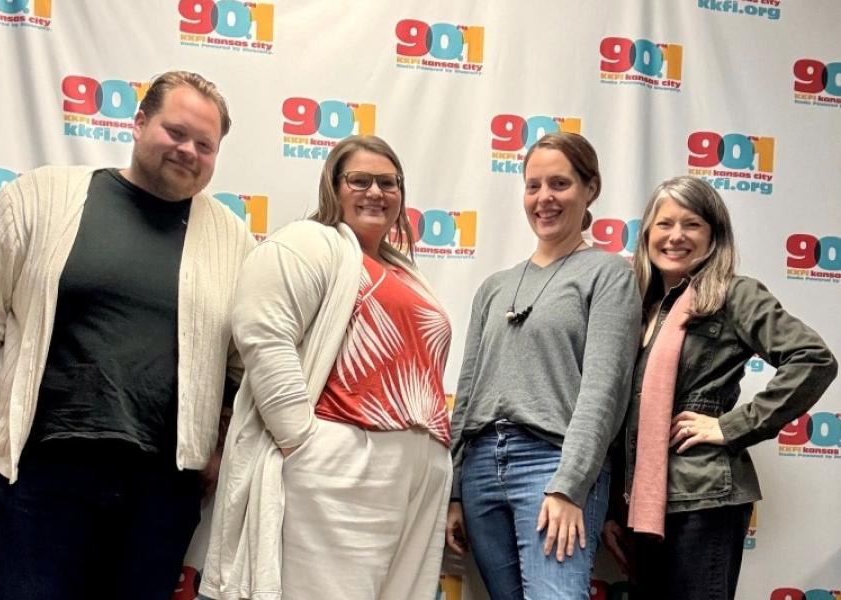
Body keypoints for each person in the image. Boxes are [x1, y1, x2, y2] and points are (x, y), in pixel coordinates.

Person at [0, 70, 256, 599]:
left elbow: (239, 365)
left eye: (205, 145)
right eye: (176, 132)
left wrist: (220, 447)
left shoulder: (233, 240)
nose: (188, 150)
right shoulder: (41, 197)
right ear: (139, 123)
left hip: (161, 491)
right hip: (37, 476)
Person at [201, 135, 452, 600]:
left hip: (417, 471)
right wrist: (300, 440)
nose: (375, 192)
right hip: (341, 462)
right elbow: (263, 330)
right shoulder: (308, 241)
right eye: (360, 180)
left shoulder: (406, 272)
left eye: (388, 182)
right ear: (333, 187)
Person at [601, 175, 837, 600]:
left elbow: (813, 360)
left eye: (691, 224)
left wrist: (729, 426)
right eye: (664, 224)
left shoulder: (733, 294)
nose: (675, 236)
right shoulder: (636, 309)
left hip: (705, 498)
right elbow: (619, 417)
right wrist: (610, 510)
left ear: (714, 236)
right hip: (640, 505)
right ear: (647, 234)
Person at [444, 132, 641, 599]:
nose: (544, 198)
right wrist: (454, 490)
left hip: (552, 463)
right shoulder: (494, 287)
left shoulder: (609, 274)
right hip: (480, 471)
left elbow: (604, 390)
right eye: (533, 186)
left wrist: (570, 485)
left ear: (590, 189)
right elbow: (467, 393)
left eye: (560, 184)